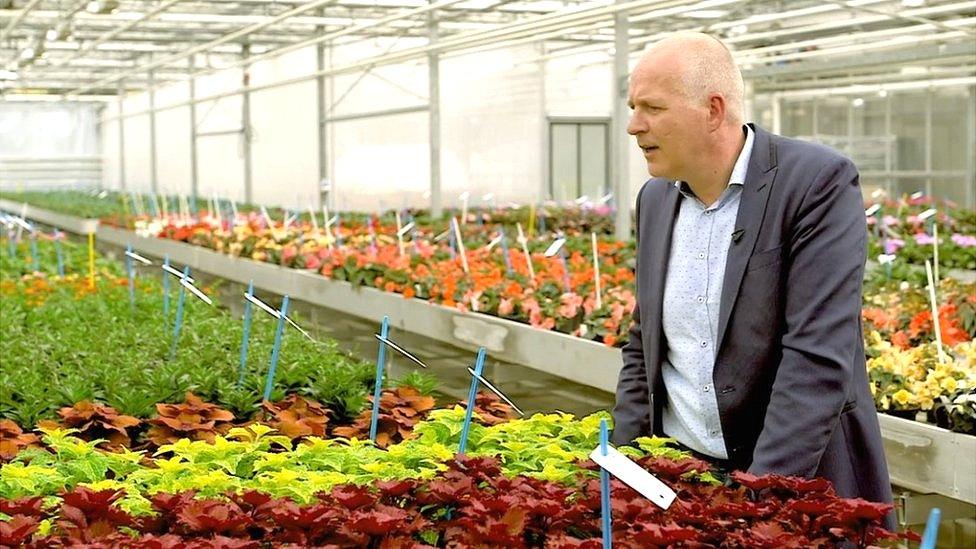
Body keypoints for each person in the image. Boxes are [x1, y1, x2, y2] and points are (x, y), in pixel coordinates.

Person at [611, 31, 894, 520]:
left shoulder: (814, 183)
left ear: (714, 110)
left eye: (652, 108)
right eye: (633, 107)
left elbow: (816, 359)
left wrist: (756, 504)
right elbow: (645, 345)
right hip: (683, 479)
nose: (634, 126)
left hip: (793, 485)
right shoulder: (655, 201)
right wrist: (626, 468)